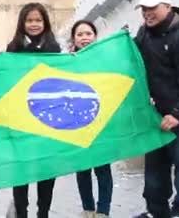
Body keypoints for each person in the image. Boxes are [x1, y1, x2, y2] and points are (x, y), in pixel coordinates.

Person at [133, 0, 179, 218]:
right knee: (154, 169)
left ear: (168, 7)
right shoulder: (143, 33)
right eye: (144, 8)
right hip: (155, 114)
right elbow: (130, 58)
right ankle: (156, 210)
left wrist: (177, 113)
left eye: (152, 8)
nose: (147, 13)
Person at [7, 2, 61, 218]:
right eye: (29, 20)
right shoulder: (14, 47)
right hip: (20, 118)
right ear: (22, 23)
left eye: (38, 20)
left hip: (48, 118)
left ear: (45, 22)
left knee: (47, 171)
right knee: (21, 172)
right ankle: (21, 212)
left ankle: (43, 213)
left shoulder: (54, 48)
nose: (34, 24)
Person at [70, 20, 112, 218]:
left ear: (95, 36)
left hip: (101, 121)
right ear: (74, 39)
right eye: (80, 34)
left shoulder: (105, 59)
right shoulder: (67, 61)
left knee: (103, 169)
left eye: (88, 33)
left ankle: (103, 211)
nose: (84, 37)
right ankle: (88, 209)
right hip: (77, 123)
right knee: (82, 169)